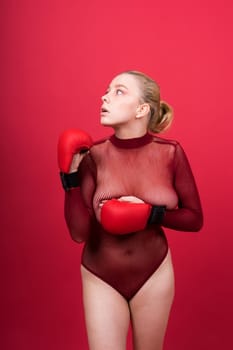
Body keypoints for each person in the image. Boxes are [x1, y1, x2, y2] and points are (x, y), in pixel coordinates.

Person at [57, 70, 203, 350]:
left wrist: (151, 213)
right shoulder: (93, 155)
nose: (105, 96)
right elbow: (79, 233)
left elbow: (195, 219)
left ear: (142, 109)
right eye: (106, 89)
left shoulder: (170, 153)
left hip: (154, 273)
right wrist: (70, 178)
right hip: (100, 275)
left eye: (118, 91)